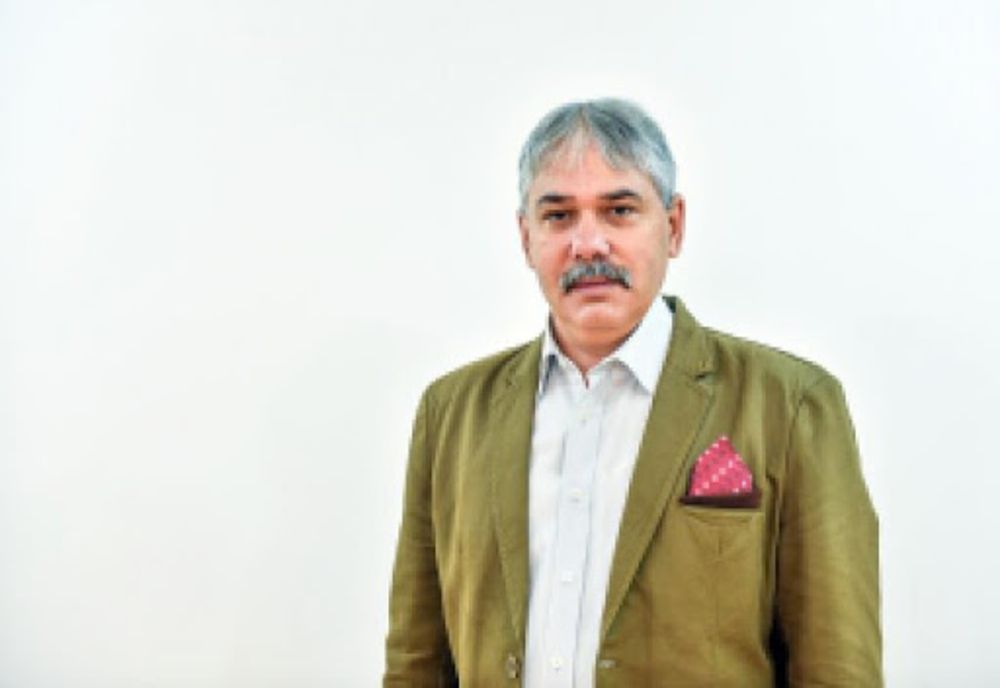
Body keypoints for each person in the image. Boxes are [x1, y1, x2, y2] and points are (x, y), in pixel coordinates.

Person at [384, 98, 882, 687]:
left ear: (673, 226)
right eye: (558, 216)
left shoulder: (788, 404)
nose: (588, 243)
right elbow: (415, 663)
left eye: (619, 211)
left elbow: (838, 668)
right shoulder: (452, 414)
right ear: (525, 238)